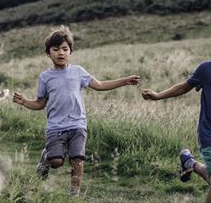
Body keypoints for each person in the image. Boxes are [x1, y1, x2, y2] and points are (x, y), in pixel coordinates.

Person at [13, 25, 140, 196]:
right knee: (56, 161)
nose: (61, 53)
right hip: (55, 126)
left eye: (65, 49)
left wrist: (125, 81)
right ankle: (46, 157)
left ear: (70, 52)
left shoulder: (78, 72)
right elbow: (40, 103)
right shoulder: (45, 77)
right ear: (48, 53)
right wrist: (24, 102)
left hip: (78, 124)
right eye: (56, 49)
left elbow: (100, 85)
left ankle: (74, 194)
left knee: (77, 160)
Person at [142, 19, 211, 203]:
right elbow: (182, 87)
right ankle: (192, 164)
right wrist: (157, 96)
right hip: (208, 133)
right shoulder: (206, 70)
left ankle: (189, 162)